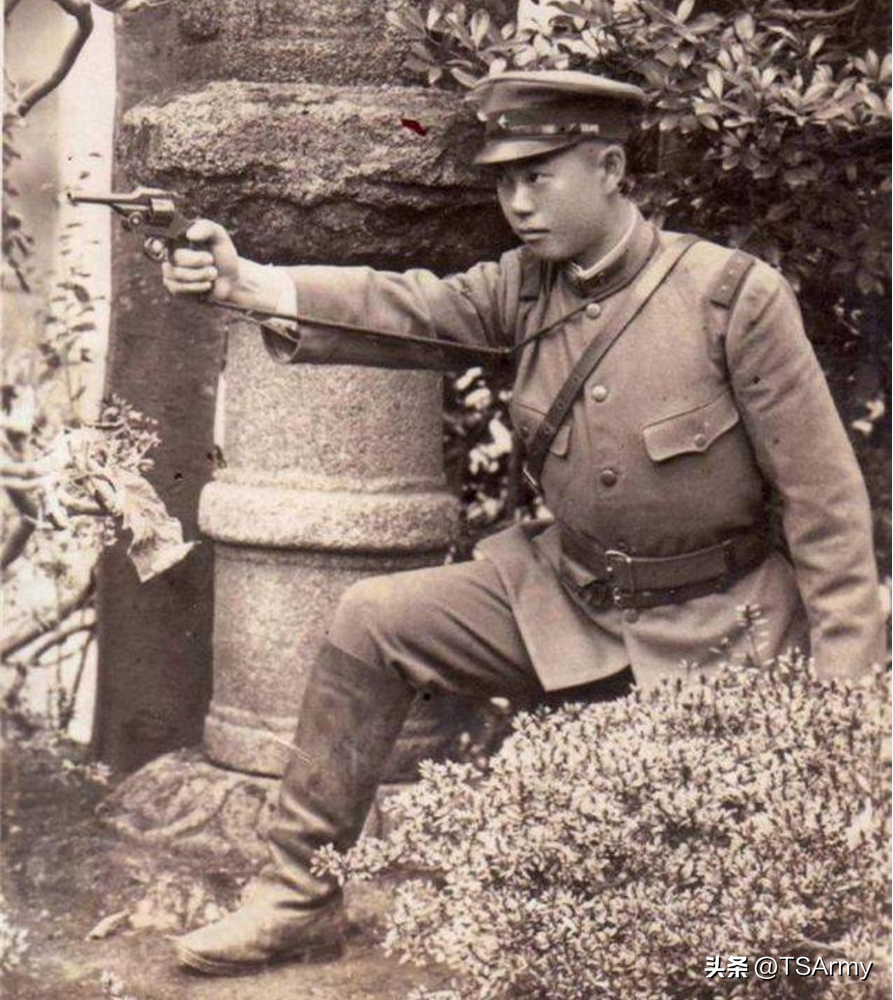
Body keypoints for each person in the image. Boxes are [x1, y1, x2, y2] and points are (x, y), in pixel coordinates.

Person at [160, 70, 885, 975]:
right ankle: (295, 896)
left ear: (610, 168)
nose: (517, 203)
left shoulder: (731, 296)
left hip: (717, 629)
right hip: (566, 598)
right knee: (374, 619)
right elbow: (408, 308)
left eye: (538, 176)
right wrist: (249, 282)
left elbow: (825, 507)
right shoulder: (525, 288)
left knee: (715, 938)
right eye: (504, 181)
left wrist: (840, 708)